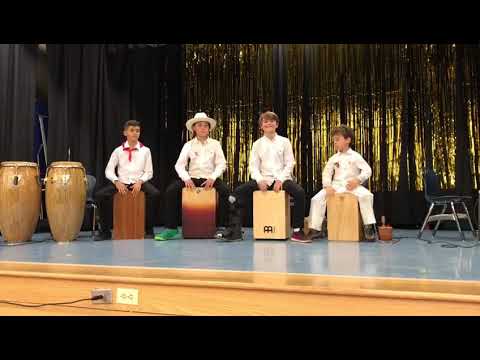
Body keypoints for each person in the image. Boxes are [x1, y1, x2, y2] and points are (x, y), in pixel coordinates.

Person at [219, 111, 309, 242]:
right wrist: (260, 180)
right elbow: (253, 166)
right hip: (264, 179)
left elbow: (290, 163)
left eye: (272, 121)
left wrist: (281, 179)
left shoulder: (285, 142)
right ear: (261, 126)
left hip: (281, 179)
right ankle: (235, 230)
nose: (269, 123)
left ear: (276, 124)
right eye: (265, 121)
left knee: (299, 192)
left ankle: (297, 231)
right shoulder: (257, 144)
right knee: (235, 194)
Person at [156, 112, 230, 240]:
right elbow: (179, 165)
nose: (202, 128)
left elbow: (221, 164)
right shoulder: (188, 145)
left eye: (205, 126)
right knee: (170, 191)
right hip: (192, 178)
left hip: (209, 178)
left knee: (225, 191)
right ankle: (171, 228)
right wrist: (186, 178)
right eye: (199, 125)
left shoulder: (215, 144)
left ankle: (222, 227)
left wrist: (213, 177)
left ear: (209, 128)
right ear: (194, 128)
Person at [308, 124, 377, 241]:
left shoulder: (355, 156)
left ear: (348, 140)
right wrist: (327, 186)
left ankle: (369, 226)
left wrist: (358, 180)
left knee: (366, 195)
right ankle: (316, 229)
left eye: (337, 140)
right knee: (316, 198)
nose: (335, 142)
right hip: (335, 186)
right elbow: (326, 173)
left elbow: (367, 170)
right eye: (334, 140)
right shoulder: (333, 158)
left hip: (352, 186)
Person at [95, 120, 160, 240]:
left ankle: (148, 229)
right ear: (125, 133)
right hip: (122, 182)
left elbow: (149, 172)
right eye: (132, 130)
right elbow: (108, 171)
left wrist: (140, 181)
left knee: (154, 194)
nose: (135, 133)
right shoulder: (118, 151)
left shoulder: (145, 151)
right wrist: (116, 181)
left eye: (137, 131)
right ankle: (105, 231)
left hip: (138, 182)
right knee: (100, 195)